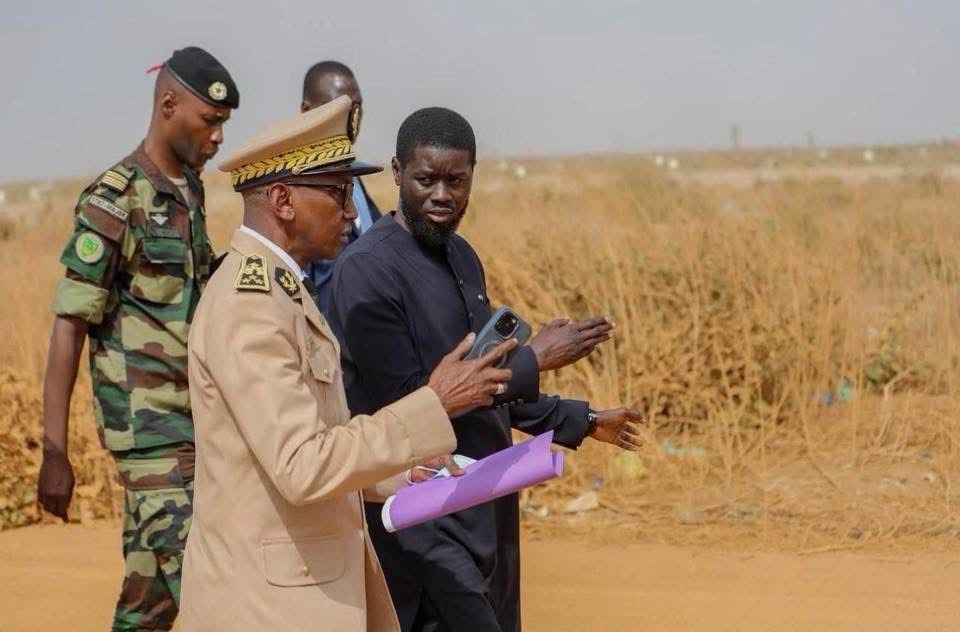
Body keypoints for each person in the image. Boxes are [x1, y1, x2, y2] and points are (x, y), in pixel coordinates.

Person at [179, 95, 517, 632]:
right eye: (337, 193)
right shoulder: (251, 307)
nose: (352, 211)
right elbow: (301, 466)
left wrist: (402, 473)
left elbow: (318, 445)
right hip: (266, 608)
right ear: (283, 200)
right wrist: (434, 403)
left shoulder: (282, 290)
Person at [328, 106, 643, 631]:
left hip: (486, 508)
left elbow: (492, 385)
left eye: (456, 181)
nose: (442, 195)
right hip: (421, 515)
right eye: (426, 180)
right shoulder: (367, 271)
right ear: (397, 172)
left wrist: (583, 421)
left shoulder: (462, 256)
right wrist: (535, 359)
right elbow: (410, 405)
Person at [36, 46, 238, 631]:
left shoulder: (189, 190)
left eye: (224, 123)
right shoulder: (114, 199)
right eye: (210, 120)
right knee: (214, 593)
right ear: (168, 105)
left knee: (150, 605)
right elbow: (69, 324)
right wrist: (55, 452)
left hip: (195, 424)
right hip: (150, 437)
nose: (218, 136)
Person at [300, 60, 381, 312]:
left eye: (357, 107)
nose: (353, 119)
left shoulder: (352, 176)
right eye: (342, 109)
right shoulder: (300, 185)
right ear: (307, 111)